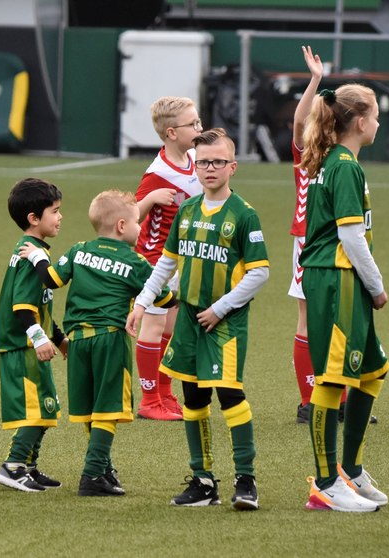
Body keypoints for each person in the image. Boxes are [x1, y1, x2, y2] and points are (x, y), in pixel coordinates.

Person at [127, 129, 269, 511]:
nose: (210, 168)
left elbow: (259, 272)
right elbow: (167, 264)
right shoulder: (187, 211)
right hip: (189, 319)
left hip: (224, 322)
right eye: (203, 162)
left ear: (232, 167)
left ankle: (246, 481)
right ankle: (203, 480)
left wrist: (221, 307)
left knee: (230, 395)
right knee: (192, 396)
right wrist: (142, 302)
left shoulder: (243, 214)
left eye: (218, 162)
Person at [21, 190, 174, 496]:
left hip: (77, 342)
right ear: (121, 226)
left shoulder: (79, 250)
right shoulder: (135, 261)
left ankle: (103, 469)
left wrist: (38, 256)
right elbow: (166, 298)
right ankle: (92, 474)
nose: (140, 227)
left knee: (93, 408)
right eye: (136, 222)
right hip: (109, 339)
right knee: (108, 407)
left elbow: (51, 279)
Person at [298, 84, 389, 512]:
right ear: (359, 121)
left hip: (339, 278)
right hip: (336, 279)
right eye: (374, 114)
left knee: (372, 369)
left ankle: (349, 469)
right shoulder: (343, 165)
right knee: (332, 379)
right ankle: (325, 483)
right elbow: (351, 237)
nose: (378, 122)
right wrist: (377, 286)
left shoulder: (337, 160)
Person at [289, 47, 377, 426]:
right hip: (312, 244)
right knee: (310, 320)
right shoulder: (316, 155)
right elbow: (298, 123)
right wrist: (315, 82)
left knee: (338, 320)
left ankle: (338, 394)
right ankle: (312, 398)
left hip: (335, 247)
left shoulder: (340, 158)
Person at [0, 178, 67, 493]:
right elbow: (22, 307)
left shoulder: (34, 251)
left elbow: (42, 303)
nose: (60, 217)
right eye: (55, 211)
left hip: (32, 342)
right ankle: (13, 466)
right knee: (35, 409)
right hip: (21, 344)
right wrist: (39, 338)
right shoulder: (30, 255)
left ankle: (29, 466)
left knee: (47, 407)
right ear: (34, 219)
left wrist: (59, 338)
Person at [133, 97, 204, 421]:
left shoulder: (192, 159)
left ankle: (164, 392)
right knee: (154, 325)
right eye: (194, 124)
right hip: (153, 261)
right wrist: (150, 199)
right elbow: (130, 216)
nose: (199, 128)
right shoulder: (158, 173)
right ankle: (149, 400)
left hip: (179, 261)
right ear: (172, 133)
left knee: (172, 328)